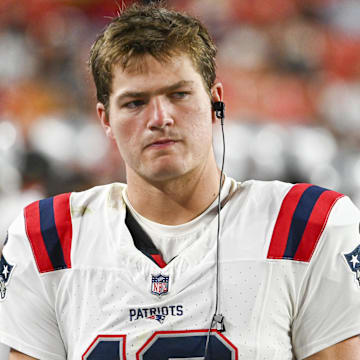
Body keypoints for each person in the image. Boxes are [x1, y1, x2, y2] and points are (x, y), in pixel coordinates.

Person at [1, 3, 360, 359]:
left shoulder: (307, 227)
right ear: (105, 119)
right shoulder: (49, 241)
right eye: (135, 102)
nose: (160, 118)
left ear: (215, 102)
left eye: (179, 94)